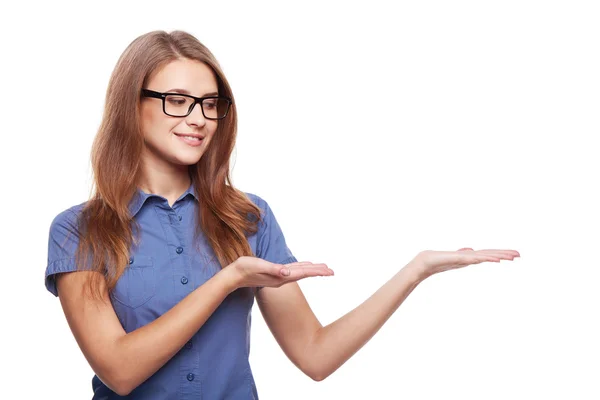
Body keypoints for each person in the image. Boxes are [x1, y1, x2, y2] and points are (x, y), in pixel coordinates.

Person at [44, 30, 520, 399]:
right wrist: (228, 280)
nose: (198, 119)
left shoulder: (248, 218)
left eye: (211, 105)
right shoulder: (79, 230)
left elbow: (315, 355)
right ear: (132, 105)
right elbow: (120, 372)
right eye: (177, 101)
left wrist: (415, 271)